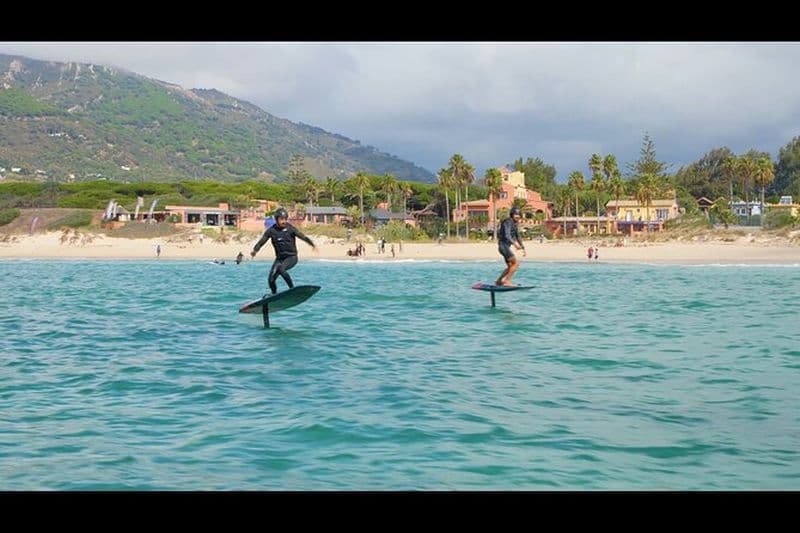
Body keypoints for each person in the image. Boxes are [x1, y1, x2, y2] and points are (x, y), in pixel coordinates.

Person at [250, 207, 317, 295]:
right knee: (271, 279)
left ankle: (292, 289)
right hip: (280, 259)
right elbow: (261, 242)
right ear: (276, 219)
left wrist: (312, 244)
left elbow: (302, 237)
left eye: (285, 219)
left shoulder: (290, 229)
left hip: (291, 257)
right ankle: (273, 295)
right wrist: (255, 250)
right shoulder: (271, 231)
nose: (284, 221)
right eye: (281, 219)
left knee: (281, 269)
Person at [495, 207, 527, 287]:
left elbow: (517, 236)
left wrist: (523, 247)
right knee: (516, 263)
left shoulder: (515, 224)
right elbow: (507, 235)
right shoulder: (507, 222)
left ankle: (499, 281)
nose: (517, 216)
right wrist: (515, 244)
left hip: (505, 247)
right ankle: (507, 281)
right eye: (516, 214)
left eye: (519, 215)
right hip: (503, 246)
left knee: (510, 266)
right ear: (512, 215)